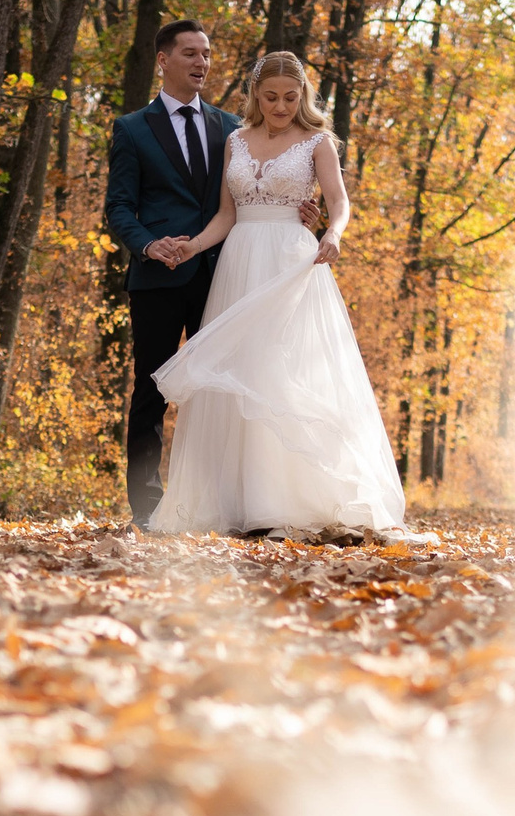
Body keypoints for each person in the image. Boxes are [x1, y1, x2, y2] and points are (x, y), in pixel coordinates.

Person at [141, 51, 407, 537]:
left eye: (290, 97)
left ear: (303, 95)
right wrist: (191, 246)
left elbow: (339, 201)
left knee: (282, 370)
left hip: (290, 260)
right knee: (239, 373)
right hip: (240, 262)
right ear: (255, 96)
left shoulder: (317, 142)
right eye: (271, 97)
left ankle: (288, 501)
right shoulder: (236, 141)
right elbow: (227, 214)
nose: (281, 106)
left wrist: (333, 234)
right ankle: (237, 502)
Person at [104, 21, 243, 529]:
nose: (201, 63)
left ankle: (216, 503)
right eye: (190, 54)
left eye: (206, 53)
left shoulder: (231, 128)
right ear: (163, 60)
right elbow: (118, 207)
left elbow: (250, 195)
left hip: (219, 276)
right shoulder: (131, 129)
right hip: (157, 279)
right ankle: (148, 508)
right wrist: (145, 243)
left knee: (221, 393)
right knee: (152, 390)